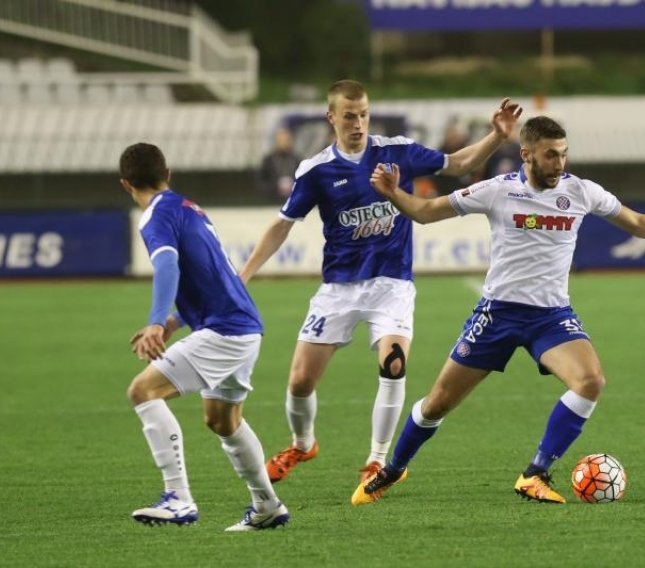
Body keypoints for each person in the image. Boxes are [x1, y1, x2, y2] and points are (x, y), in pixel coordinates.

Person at [352, 116, 645, 505]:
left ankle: (534, 473)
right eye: (551, 155)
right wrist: (395, 194)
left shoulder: (582, 192)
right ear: (527, 154)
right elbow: (428, 211)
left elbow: (636, 222)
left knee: (590, 381)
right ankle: (393, 469)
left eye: (564, 154)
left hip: (550, 317)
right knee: (437, 404)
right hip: (497, 315)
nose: (560, 163)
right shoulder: (497, 190)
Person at [239, 80, 522, 487]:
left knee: (393, 364)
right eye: (349, 116)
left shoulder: (397, 152)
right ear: (331, 117)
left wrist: (496, 135)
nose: (358, 123)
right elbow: (282, 226)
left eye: (364, 114)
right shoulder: (316, 171)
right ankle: (302, 444)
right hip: (338, 288)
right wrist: (244, 274)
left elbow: (457, 164)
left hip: (391, 283)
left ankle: (377, 461)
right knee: (300, 381)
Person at [121, 142, 289, 531]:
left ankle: (178, 498)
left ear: (125, 184)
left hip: (225, 332)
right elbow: (217, 275)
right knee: (223, 422)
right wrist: (176, 321)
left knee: (142, 391)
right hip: (244, 327)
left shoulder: (154, 218)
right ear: (169, 174)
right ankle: (267, 505)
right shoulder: (189, 208)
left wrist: (155, 320)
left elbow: (167, 265)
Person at [258, 127, 301, 202]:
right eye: (282, 140)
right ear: (276, 142)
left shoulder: (297, 159)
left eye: (287, 140)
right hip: (272, 201)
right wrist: (276, 187)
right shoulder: (268, 160)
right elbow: (261, 182)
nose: (285, 143)